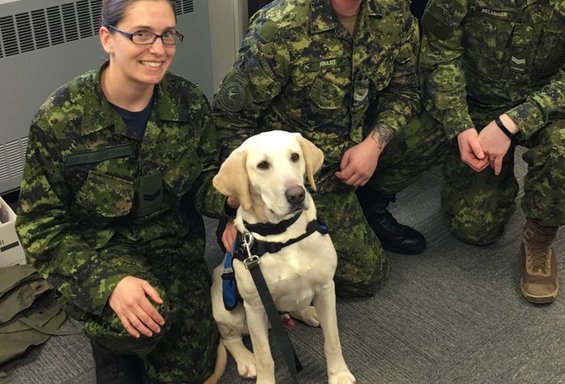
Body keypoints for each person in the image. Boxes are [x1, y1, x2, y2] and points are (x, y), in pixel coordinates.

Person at [15, 0, 232, 382]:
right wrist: (108, 284)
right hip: (102, 251)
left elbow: (202, 181)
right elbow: (40, 226)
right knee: (130, 326)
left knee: (190, 373)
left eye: (167, 35)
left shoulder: (189, 103)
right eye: (141, 34)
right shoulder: (60, 118)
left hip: (173, 248)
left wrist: (234, 201)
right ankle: (111, 339)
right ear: (107, 39)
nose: (158, 49)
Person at [212, 0, 448, 298]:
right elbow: (230, 120)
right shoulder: (281, 25)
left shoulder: (393, 10)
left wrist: (374, 145)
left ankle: (370, 204)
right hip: (301, 174)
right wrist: (241, 206)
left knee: (440, 128)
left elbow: (404, 89)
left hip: (360, 144)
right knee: (367, 277)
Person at [419, 0, 565, 303]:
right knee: (475, 230)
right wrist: (460, 124)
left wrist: (511, 123)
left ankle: (539, 237)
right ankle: (486, 182)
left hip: (547, 103)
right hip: (479, 102)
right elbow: (438, 55)